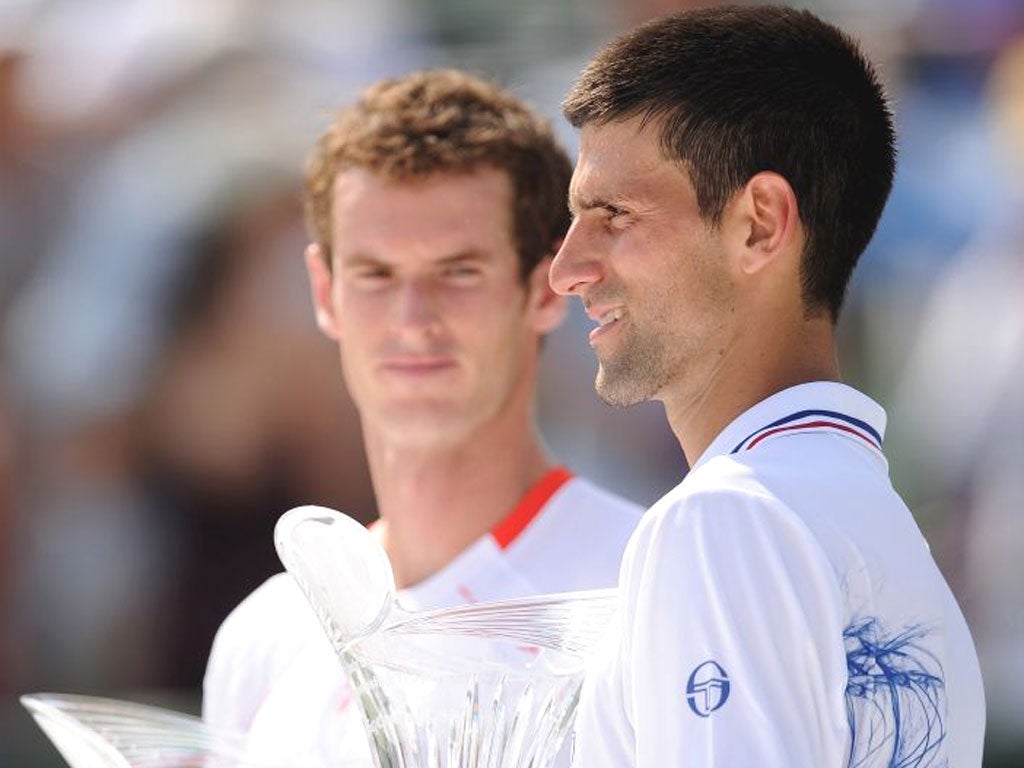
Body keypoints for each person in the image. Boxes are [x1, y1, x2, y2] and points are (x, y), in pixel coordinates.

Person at [548, 6, 985, 768]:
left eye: (613, 214)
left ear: (759, 224)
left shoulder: (726, 519)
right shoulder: (877, 529)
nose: (566, 268)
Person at [201, 69, 642, 765]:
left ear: (546, 286)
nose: (413, 322)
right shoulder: (266, 634)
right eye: (375, 275)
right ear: (326, 291)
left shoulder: (646, 590)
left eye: (458, 272)